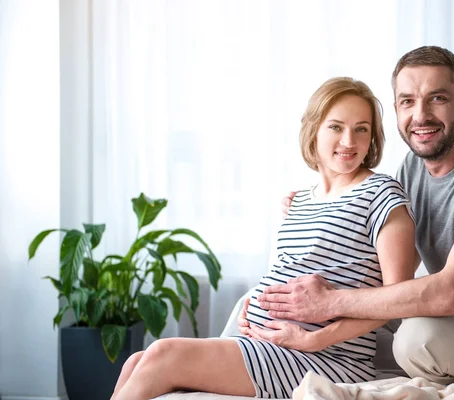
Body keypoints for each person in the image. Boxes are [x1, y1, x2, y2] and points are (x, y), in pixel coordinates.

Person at [257, 46, 454, 385]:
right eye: (408, 101)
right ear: (397, 110)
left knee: (416, 338)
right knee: (264, 312)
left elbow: (451, 293)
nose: (421, 115)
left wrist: (330, 303)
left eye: (437, 98)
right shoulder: (412, 168)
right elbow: (388, 271)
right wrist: (318, 205)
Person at [110, 77, 417, 400]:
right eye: (336, 127)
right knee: (135, 361)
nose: (349, 140)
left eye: (361, 129)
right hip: (267, 345)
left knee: (163, 354)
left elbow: (396, 299)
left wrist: (317, 339)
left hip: (328, 359)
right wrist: (254, 306)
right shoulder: (299, 200)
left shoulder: (381, 193)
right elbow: (290, 272)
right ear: (313, 129)